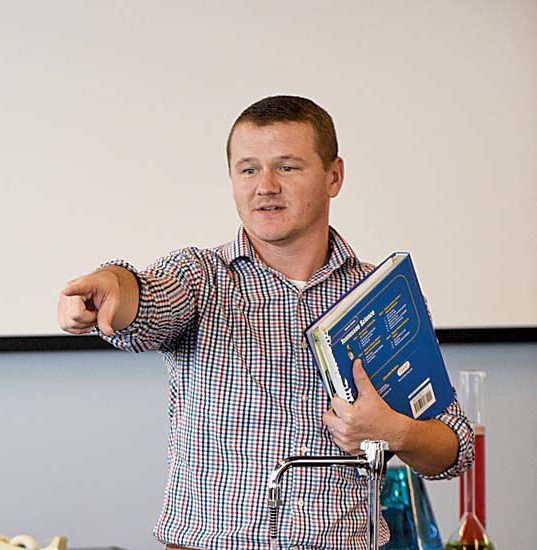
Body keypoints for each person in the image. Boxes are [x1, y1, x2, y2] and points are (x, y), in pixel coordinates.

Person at [56, 96, 473, 550]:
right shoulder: (203, 277)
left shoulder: (381, 295)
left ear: (334, 176)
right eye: (248, 169)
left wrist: (394, 430)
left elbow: (454, 448)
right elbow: (145, 298)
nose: (265, 186)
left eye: (287, 167)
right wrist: (110, 284)